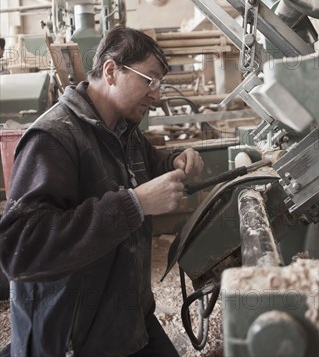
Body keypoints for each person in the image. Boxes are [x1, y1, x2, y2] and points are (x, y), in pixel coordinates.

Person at [0, 26, 204, 357]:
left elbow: (153, 170)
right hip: (72, 337)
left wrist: (176, 162)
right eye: (149, 80)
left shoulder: (125, 133)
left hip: (125, 318)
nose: (157, 94)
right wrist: (134, 205)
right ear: (111, 71)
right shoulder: (53, 140)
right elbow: (18, 249)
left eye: (160, 84)